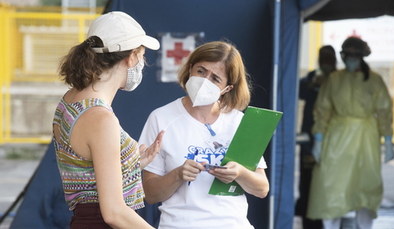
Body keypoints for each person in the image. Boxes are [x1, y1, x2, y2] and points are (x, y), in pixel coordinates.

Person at [139, 41, 269, 229]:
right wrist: (178, 174)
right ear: (190, 69)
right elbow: (150, 194)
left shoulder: (238, 122)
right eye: (201, 71)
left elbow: (262, 188)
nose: (205, 81)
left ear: (227, 88)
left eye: (215, 78)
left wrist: (239, 173)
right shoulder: (161, 118)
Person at [52, 11, 164, 228]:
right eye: (142, 54)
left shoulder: (70, 100)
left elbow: (84, 168)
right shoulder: (100, 119)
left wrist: (131, 163)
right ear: (131, 57)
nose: (142, 62)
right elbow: (114, 213)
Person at [307, 36, 394, 229]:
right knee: (329, 184)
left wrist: (388, 140)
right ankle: (330, 225)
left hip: (366, 138)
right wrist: (319, 140)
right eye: (347, 55)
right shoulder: (334, 79)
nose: (350, 59)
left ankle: (365, 226)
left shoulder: (374, 80)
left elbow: (384, 110)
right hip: (337, 137)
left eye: (354, 55)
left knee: (365, 185)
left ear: (361, 56)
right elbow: (322, 110)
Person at [295, 45, 337, 229]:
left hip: (334, 139)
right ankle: (310, 222)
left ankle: (330, 219)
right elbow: (298, 91)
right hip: (310, 139)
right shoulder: (312, 77)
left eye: (329, 58)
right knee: (308, 182)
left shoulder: (340, 79)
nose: (326, 62)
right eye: (323, 58)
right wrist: (313, 84)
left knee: (330, 181)